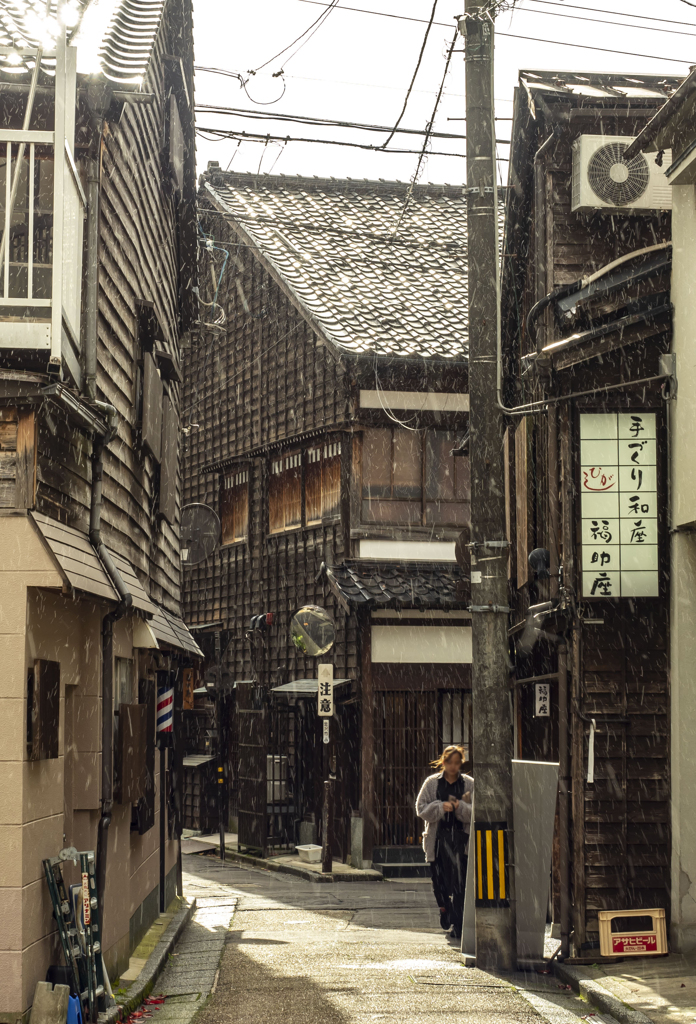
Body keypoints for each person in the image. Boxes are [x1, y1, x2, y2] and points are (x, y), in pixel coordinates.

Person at [416, 745, 473, 939]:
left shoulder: (468, 784)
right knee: (438, 881)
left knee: (459, 883)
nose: (453, 767)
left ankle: (458, 923)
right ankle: (444, 908)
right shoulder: (432, 783)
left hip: (461, 839)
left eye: (457, 763)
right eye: (449, 762)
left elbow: (477, 811)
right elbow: (420, 808)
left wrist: (460, 808)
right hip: (438, 839)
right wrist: (441, 807)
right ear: (443, 762)